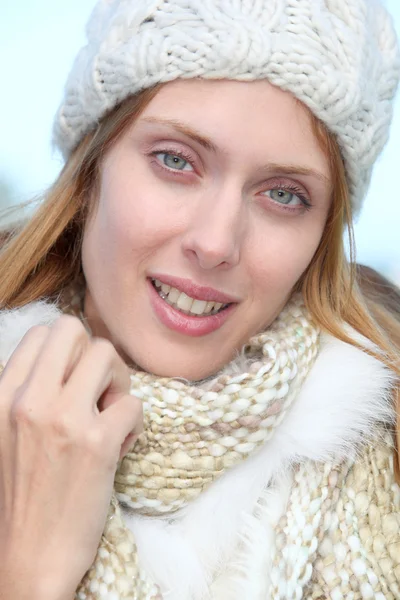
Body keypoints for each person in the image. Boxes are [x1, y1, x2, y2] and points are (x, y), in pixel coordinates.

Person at [0, 0, 400, 598]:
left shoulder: (384, 445)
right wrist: (30, 569)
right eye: (175, 161)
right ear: (90, 173)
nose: (216, 243)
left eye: (284, 194)